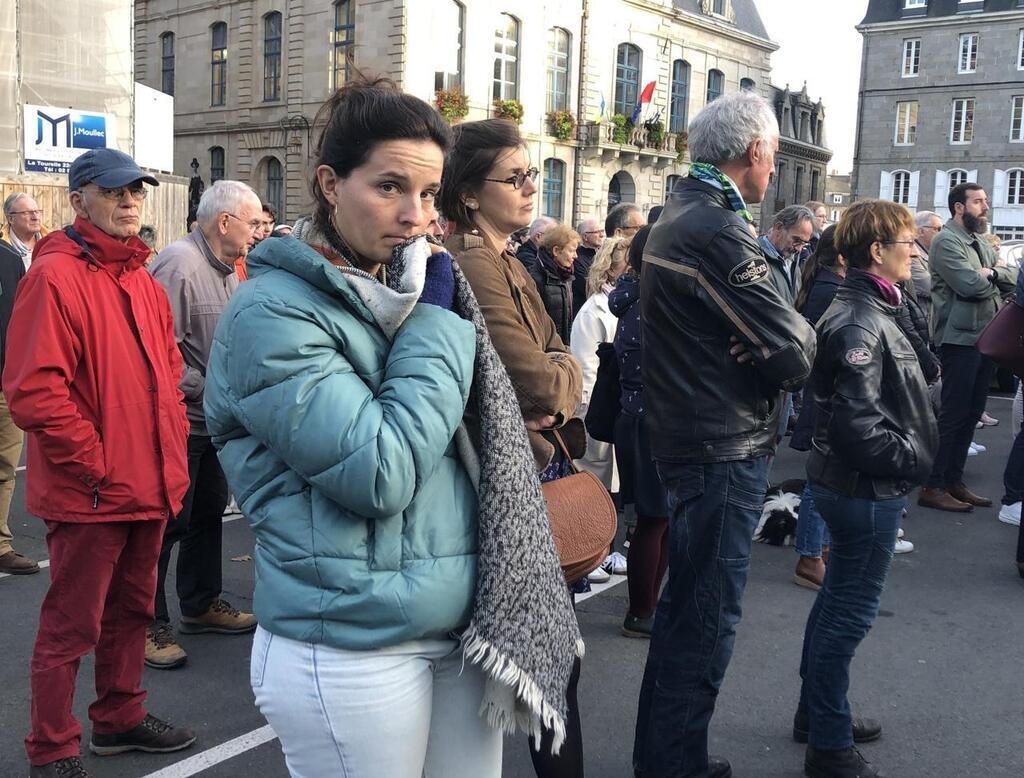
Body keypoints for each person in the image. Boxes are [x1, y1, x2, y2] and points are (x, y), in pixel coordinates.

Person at [205, 82, 578, 778]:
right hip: (351, 647)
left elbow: (466, 444)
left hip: (462, 628)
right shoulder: (271, 315)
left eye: (430, 194)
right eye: (389, 187)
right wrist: (437, 327)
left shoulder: (406, 290)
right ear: (328, 182)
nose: (415, 217)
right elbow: (381, 473)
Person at [633, 91, 816, 778]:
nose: (773, 169)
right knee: (704, 622)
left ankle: (669, 759)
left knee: (688, 615)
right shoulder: (715, 228)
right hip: (720, 444)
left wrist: (772, 339)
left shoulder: (687, 215)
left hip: (702, 435)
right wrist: (777, 341)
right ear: (758, 152)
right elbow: (797, 353)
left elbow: (782, 340)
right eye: (772, 156)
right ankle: (674, 766)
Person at [4, 148, 195, 778]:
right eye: (114, 192)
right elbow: (35, 390)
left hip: (144, 484)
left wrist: (167, 462)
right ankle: (51, 748)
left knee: (132, 614)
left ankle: (119, 718)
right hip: (97, 491)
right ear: (79, 199)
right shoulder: (55, 277)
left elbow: (166, 369)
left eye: (135, 191)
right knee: (70, 626)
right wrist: (97, 464)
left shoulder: (138, 277)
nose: (130, 201)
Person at [440, 117, 587, 778]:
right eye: (515, 177)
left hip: (534, 462)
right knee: (543, 658)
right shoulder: (475, 260)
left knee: (550, 659)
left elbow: (559, 361)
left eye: (533, 175)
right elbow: (535, 374)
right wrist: (563, 379)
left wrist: (562, 378)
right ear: (470, 193)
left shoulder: (505, 257)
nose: (531, 187)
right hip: (510, 478)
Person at [795, 199, 938, 778]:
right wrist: (907, 463)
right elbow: (857, 423)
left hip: (854, 484)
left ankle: (819, 714)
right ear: (876, 251)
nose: (915, 250)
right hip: (863, 488)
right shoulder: (859, 317)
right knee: (848, 612)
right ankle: (827, 743)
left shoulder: (870, 307)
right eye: (907, 241)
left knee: (836, 604)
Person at [145, 180, 262, 670]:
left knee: (207, 513)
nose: (259, 231)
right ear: (225, 222)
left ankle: (200, 604)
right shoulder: (179, 264)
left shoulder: (228, 269)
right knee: (168, 524)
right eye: (253, 222)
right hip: (181, 420)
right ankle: (146, 624)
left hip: (214, 421)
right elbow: (157, 350)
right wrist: (207, 387)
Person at [918, 183, 1016, 512]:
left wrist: (992, 272)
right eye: (978, 201)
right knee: (954, 413)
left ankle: (953, 480)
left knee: (972, 413)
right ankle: (933, 485)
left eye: (985, 201)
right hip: (959, 339)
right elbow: (969, 285)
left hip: (985, 335)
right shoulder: (947, 241)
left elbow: (1012, 275)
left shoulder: (977, 242)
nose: (985, 206)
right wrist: (991, 278)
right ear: (959, 207)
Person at [609, 225, 669, 638]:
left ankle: (648, 606)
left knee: (657, 518)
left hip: (638, 416)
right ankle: (641, 610)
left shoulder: (633, 297)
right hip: (649, 420)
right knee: (653, 519)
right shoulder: (648, 302)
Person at [571, 235, 629, 579]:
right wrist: (589, 412)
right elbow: (585, 364)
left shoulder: (618, 304)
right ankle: (589, 554)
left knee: (607, 487)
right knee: (591, 484)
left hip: (610, 406)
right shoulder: (594, 310)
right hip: (594, 408)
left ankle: (601, 550)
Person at [790, 226, 844, 590]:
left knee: (827, 479)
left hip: (827, 396)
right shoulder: (830, 290)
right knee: (820, 480)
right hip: (828, 398)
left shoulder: (826, 284)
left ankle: (819, 549)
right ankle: (810, 555)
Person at [0, 239, 36, 575]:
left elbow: (19, 321)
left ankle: (0, 544)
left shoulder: (10, 259)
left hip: (3, 383)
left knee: (4, 467)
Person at [530, 224, 580, 345]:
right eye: (572, 251)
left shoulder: (565, 276)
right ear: (556, 251)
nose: (576, 256)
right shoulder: (534, 278)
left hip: (562, 346)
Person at [761, 205, 816, 307]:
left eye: (804, 243)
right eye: (796, 240)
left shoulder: (793, 262)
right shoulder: (755, 258)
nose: (799, 249)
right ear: (779, 228)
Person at [912, 210, 942, 325]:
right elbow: (930, 286)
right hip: (921, 322)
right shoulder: (912, 255)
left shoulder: (934, 253)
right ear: (920, 231)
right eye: (937, 229)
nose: (941, 233)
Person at [3, 192, 45, 270]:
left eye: (37, 211)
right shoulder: (2, 248)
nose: (35, 217)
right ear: (11, 219)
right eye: (27, 213)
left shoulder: (52, 242)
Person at [573, 216, 605, 318]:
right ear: (585, 237)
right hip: (585, 313)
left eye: (602, 231)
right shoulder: (577, 258)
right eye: (597, 232)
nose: (602, 235)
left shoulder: (601, 254)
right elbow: (589, 287)